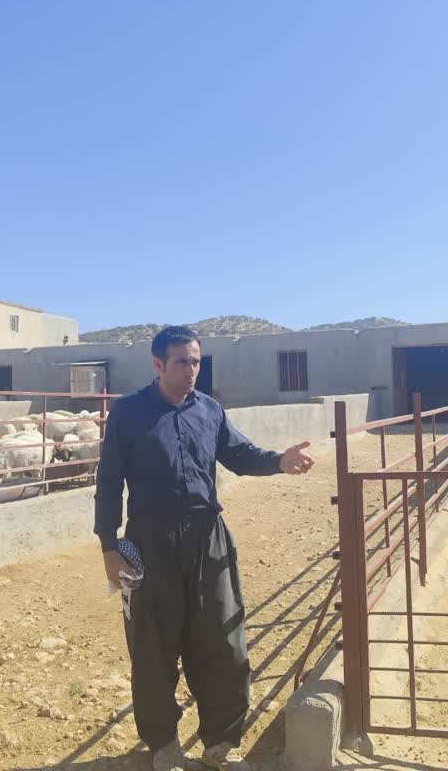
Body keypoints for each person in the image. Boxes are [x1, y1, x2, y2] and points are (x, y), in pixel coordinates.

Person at [94, 326, 315, 771]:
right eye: (182, 362)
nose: (191, 370)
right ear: (158, 364)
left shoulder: (209, 410)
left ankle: (221, 743)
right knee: (153, 645)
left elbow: (240, 454)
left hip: (208, 536)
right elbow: (109, 481)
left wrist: (278, 461)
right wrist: (109, 547)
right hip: (149, 541)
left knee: (224, 639)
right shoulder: (129, 413)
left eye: (196, 361)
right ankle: (164, 745)